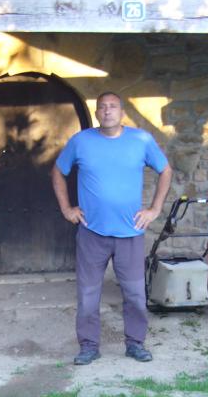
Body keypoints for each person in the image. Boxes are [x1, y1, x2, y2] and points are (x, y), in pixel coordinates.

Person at [52, 91, 173, 365]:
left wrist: (154, 209)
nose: (107, 111)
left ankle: (135, 344)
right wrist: (67, 209)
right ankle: (88, 346)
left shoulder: (141, 140)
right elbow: (58, 171)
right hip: (91, 233)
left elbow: (165, 170)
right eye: (102, 107)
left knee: (135, 294)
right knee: (87, 294)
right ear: (96, 113)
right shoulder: (81, 141)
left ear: (121, 112)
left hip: (130, 233)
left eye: (113, 106)